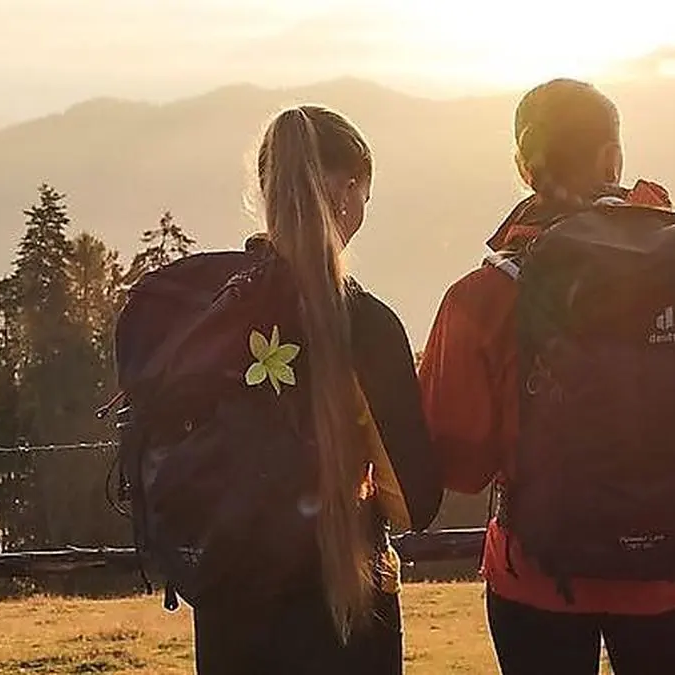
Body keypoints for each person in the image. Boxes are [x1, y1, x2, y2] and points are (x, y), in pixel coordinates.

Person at [418, 78, 675, 674]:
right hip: (666, 574)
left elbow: (462, 466)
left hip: (538, 578)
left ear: (524, 167)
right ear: (612, 158)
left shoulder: (483, 296)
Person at [146, 105, 443, 674]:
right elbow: (412, 502)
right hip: (344, 604)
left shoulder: (211, 315)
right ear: (349, 189)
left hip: (229, 605)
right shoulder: (367, 325)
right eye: (363, 192)